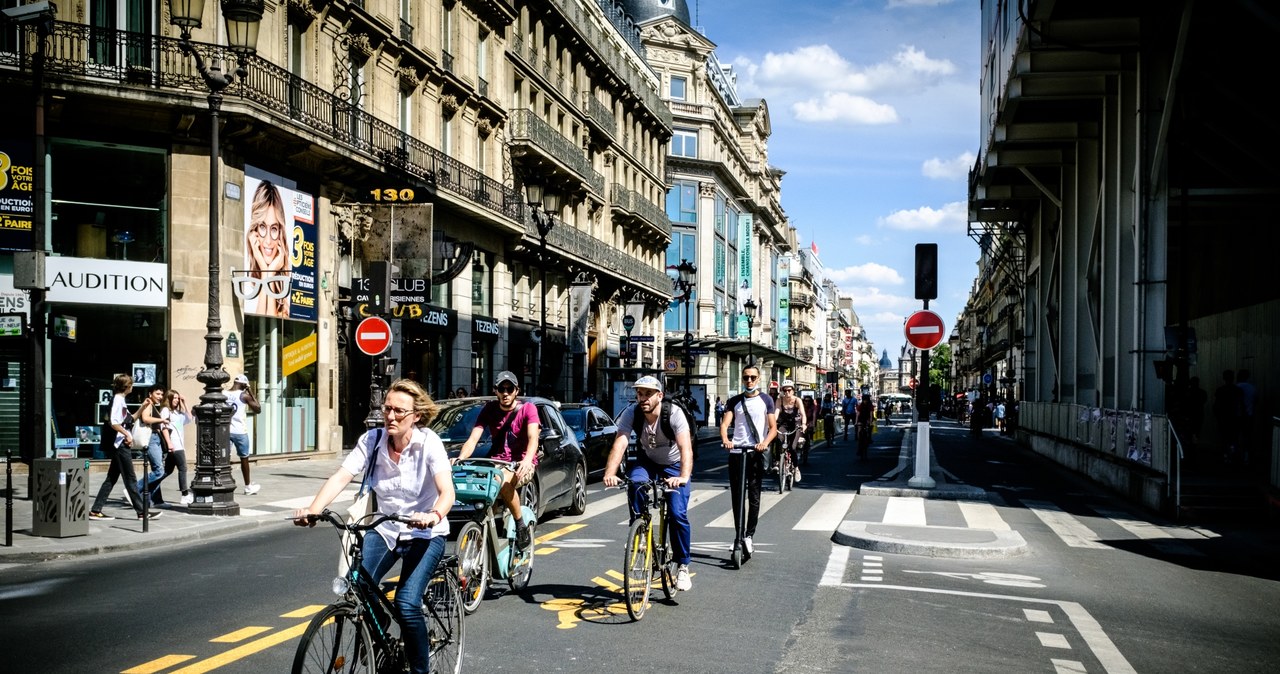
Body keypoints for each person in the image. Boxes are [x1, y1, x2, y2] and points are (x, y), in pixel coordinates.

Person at [293, 379, 452, 674]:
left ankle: (420, 670)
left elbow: (447, 491)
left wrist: (434, 514)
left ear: (416, 415)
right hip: (386, 527)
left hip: (425, 532)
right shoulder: (372, 441)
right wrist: (314, 511)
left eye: (399, 411)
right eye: (387, 408)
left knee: (406, 602)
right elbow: (342, 477)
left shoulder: (430, 442)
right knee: (357, 585)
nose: (390, 416)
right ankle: (380, 626)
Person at [602, 375, 694, 591]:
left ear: (659, 396)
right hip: (648, 462)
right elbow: (620, 442)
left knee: (677, 513)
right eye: (639, 393)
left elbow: (685, 449)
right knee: (635, 482)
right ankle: (640, 531)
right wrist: (610, 472)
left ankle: (682, 565)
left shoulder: (673, 414)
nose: (642, 398)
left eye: (648, 394)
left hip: (674, 466)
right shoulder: (632, 413)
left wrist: (683, 477)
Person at [455, 371, 539, 549]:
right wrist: (460, 458)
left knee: (502, 481)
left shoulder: (528, 409)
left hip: (522, 464)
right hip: (496, 463)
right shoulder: (489, 409)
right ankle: (481, 546)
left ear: (517, 391)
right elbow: (473, 439)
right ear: (496, 390)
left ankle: (520, 524)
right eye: (502, 389)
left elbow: (533, 438)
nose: (506, 393)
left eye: (510, 389)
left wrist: (527, 460)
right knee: (484, 492)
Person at [719, 364, 776, 557]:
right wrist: (726, 440)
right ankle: (738, 536)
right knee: (737, 497)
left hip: (755, 453)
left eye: (752, 377)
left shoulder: (766, 400)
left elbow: (772, 427)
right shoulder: (734, 401)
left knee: (754, 496)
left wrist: (764, 443)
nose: (749, 381)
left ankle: (749, 535)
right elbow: (725, 423)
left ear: (758, 379)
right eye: (745, 378)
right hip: (736, 453)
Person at [89, 373, 160, 520]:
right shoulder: (117, 400)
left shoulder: (120, 400)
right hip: (120, 444)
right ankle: (142, 512)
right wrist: (127, 435)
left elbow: (130, 419)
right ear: (127, 387)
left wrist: (142, 407)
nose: (133, 387)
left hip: (120, 443)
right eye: (131, 384)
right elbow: (114, 423)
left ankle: (96, 510)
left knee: (111, 478)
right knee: (130, 478)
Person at [246, 180, 291, 318]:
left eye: (274, 229)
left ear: (280, 233)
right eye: (263, 227)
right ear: (255, 231)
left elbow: (269, 325)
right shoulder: (247, 285)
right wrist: (265, 272)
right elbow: (260, 328)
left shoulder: (284, 294)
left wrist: (269, 273)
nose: (268, 240)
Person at [134, 384, 171, 507]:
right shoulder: (148, 403)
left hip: (155, 438)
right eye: (157, 394)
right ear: (150, 394)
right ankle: (134, 490)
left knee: (158, 469)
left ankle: (156, 499)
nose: (160, 397)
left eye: (161, 394)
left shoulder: (153, 406)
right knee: (159, 471)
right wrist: (162, 420)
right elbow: (145, 419)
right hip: (150, 438)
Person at [158, 389, 194, 506]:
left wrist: (185, 402)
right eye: (174, 398)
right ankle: (184, 495)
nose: (176, 400)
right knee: (183, 468)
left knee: (167, 471)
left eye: (178, 398)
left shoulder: (177, 413)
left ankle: (145, 485)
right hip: (174, 445)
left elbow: (189, 418)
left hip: (179, 444)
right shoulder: (165, 411)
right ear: (168, 399)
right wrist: (169, 443)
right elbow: (163, 427)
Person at [228, 373, 263, 494]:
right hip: (239, 431)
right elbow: (258, 409)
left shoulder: (224, 394)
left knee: (223, 457)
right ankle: (248, 486)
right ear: (243, 385)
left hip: (225, 430)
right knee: (244, 458)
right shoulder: (244, 395)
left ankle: (225, 480)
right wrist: (251, 391)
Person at [774, 380, 806, 478]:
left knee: (792, 447)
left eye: (789, 390)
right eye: (784, 390)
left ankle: (796, 468)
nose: (787, 392)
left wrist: (803, 424)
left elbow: (803, 414)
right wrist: (772, 424)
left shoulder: (797, 400)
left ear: (793, 390)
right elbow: (776, 412)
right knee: (779, 441)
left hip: (795, 425)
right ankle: (778, 462)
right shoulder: (779, 400)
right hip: (784, 424)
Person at [855, 394, 875, 458]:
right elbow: (858, 414)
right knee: (859, 430)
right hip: (861, 419)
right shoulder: (860, 406)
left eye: (866, 400)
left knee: (869, 428)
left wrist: (871, 422)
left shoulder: (870, 406)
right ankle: (859, 440)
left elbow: (871, 414)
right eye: (864, 400)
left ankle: (869, 437)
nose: (865, 401)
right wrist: (856, 422)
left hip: (867, 419)